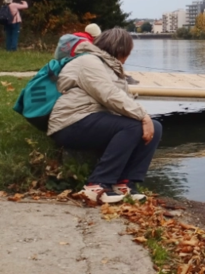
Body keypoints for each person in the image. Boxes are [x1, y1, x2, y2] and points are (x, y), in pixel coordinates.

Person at [48, 28, 162, 203]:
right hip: (71, 122)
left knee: (156, 127)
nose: (128, 57)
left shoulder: (110, 67)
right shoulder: (89, 62)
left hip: (91, 120)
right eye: (128, 52)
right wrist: (143, 116)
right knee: (135, 125)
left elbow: (122, 100)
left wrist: (145, 119)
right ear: (121, 50)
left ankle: (124, 183)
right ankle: (96, 185)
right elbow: (108, 95)